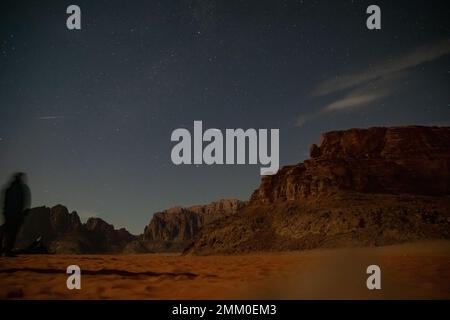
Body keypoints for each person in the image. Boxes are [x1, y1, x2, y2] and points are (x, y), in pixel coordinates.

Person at [0, 172, 31, 256]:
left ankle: (7, 250)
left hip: (11, 214)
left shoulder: (11, 188)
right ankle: (7, 251)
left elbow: (6, 201)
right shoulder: (18, 188)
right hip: (13, 214)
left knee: (8, 232)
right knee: (11, 233)